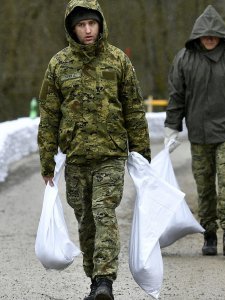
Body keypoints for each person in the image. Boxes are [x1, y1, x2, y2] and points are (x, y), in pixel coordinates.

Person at [37, 0, 151, 299]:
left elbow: (134, 109)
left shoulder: (117, 61)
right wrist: (46, 160)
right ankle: (94, 281)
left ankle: (105, 280)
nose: (87, 30)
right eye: (80, 25)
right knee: (86, 221)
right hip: (75, 157)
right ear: (72, 29)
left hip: (110, 155)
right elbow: (49, 115)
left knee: (104, 213)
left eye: (91, 23)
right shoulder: (59, 65)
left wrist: (141, 154)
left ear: (100, 24)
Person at [164, 5, 225, 257]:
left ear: (221, 35)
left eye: (213, 34)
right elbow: (176, 96)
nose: (209, 38)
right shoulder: (184, 59)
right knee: (205, 186)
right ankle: (209, 234)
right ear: (197, 35)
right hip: (198, 134)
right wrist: (172, 127)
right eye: (204, 34)